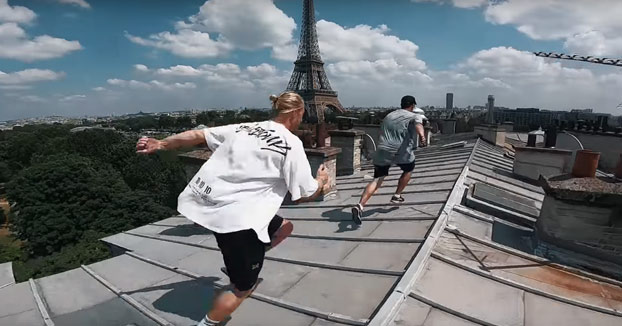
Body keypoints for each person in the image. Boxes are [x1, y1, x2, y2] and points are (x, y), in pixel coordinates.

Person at [136, 92, 329, 326]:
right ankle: (210, 321)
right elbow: (306, 194)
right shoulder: (291, 143)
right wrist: (322, 181)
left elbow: (198, 135)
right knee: (242, 289)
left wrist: (162, 143)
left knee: (285, 227)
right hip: (240, 222)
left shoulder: (244, 128)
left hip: (221, 209)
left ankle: (241, 262)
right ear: (298, 112)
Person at [351, 95, 427, 225]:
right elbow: (419, 125)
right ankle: (397, 195)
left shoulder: (389, 115)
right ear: (412, 106)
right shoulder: (415, 115)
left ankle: (360, 205)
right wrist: (422, 137)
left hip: (383, 150)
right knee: (409, 169)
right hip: (401, 151)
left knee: (377, 179)